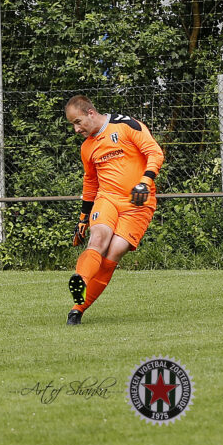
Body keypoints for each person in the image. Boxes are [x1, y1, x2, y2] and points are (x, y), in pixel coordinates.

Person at [64, 95, 164, 326]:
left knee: (115, 251)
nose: (76, 129)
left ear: (90, 113)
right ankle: (80, 279)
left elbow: (155, 152)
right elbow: (90, 182)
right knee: (99, 237)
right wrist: (83, 218)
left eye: (78, 122)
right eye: (73, 125)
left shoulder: (127, 125)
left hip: (138, 202)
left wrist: (145, 182)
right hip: (107, 199)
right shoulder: (87, 147)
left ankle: (78, 308)